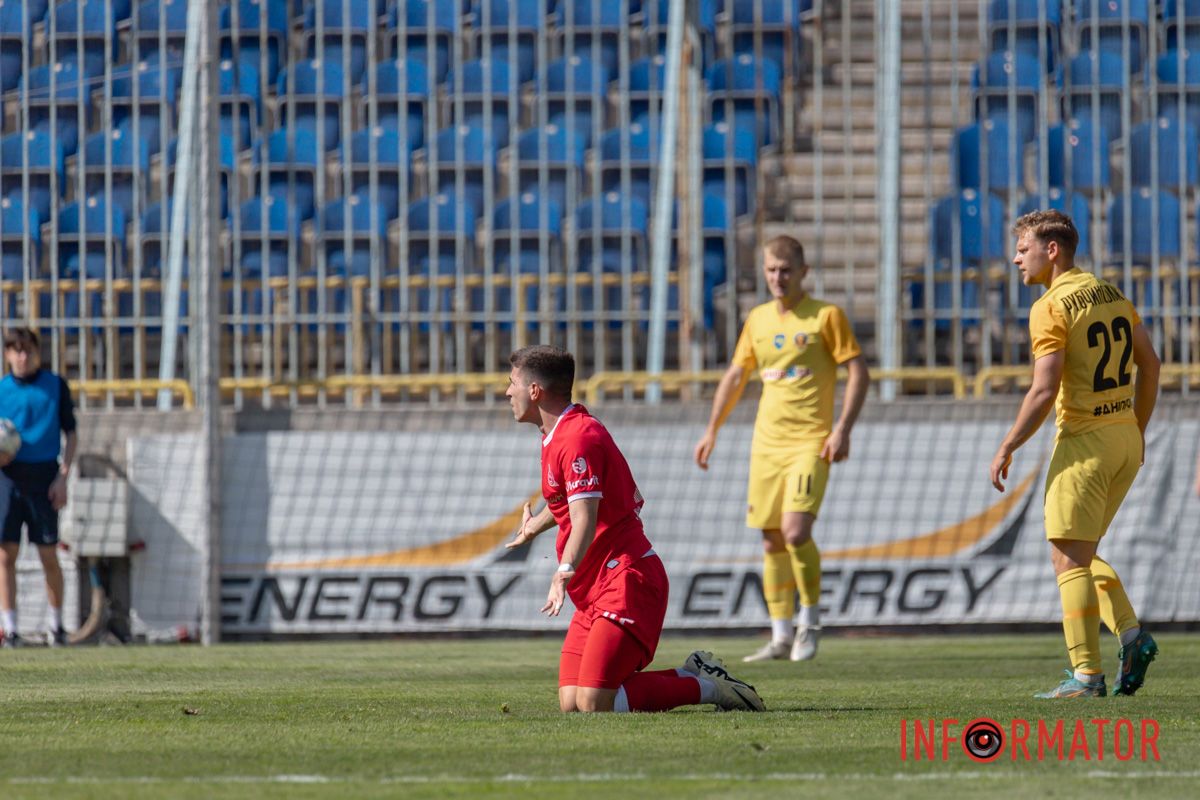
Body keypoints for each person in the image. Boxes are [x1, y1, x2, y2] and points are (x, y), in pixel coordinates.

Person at [503, 345, 765, 713]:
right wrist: (535, 526)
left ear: (535, 391)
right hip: (594, 589)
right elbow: (571, 501)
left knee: (594, 702)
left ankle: (708, 687)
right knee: (571, 703)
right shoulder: (559, 434)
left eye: (512, 383)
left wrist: (562, 571)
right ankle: (689, 673)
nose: (507, 392)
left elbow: (584, 518)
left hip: (627, 581)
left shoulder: (577, 437)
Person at [989, 210, 1160, 698]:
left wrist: (1008, 444)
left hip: (1084, 443)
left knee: (1068, 561)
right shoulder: (1112, 294)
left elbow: (1044, 390)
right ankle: (1131, 636)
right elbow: (1151, 365)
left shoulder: (1050, 306)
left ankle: (1086, 675)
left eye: (1023, 249)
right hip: (1123, 437)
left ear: (1052, 250)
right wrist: (1136, 429)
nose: (1016, 259)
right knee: (1081, 554)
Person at [694, 236, 869, 662]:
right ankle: (780, 635)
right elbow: (736, 376)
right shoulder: (757, 320)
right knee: (771, 541)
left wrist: (842, 429)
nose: (778, 277)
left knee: (795, 532)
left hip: (810, 442)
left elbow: (858, 372)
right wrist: (711, 430)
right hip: (766, 445)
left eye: (786, 270)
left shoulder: (826, 316)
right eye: (771, 270)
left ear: (804, 272)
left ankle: (810, 622)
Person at [0, 328, 77, 648]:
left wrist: (63, 477)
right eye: (16, 351)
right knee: (5, 555)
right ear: (7, 355)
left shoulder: (55, 386)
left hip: (44, 476)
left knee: (48, 554)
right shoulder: (2, 390)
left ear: (37, 352)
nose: (22, 356)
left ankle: (56, 626)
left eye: (27, 350)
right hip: (7, 478)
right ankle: (10, 629)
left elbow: (71, 433)